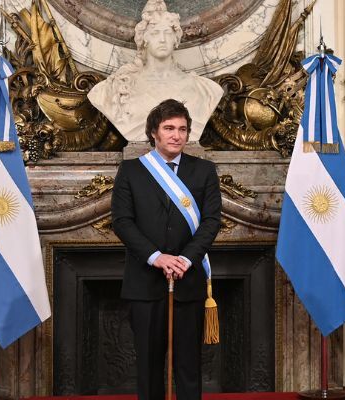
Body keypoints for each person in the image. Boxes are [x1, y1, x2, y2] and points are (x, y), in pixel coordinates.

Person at [111, 99, 221, 400]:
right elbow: (122, 221)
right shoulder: (132, 171)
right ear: (154, 133)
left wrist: (185, 259)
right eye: (169, 128)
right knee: (148, 365)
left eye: (182, 129)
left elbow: (211, 221)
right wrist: (157, 257)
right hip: (145, 282)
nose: (176, 135)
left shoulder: (204, 170)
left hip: (188, 280)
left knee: (189, 365)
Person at [87, 0, 223, 142]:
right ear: (144, 39)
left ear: (176, 39)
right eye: (155, 33)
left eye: (168, 33)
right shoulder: (117, 87)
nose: (162, 39)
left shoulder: (204, 89)